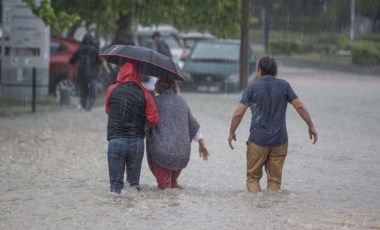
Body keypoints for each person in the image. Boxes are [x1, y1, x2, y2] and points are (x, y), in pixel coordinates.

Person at [228, 56, 318, 193]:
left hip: (258, 140)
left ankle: (255, 210)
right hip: (280, 140)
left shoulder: (252, 87)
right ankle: (275, 210)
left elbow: (238, 114)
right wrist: (311, 126)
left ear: (259, 71)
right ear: (275, 71)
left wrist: (232, 132)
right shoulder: (284, 86)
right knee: (275, 182)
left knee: (253, 179)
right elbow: (299, 106)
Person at [105, 61, 158, 194]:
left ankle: (114, 211)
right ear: (137, 74)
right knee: (133, 186)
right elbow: (153, 119)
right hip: (136, 142)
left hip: (115, 140)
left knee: (115, 187)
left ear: (121, 72)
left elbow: (108, 110)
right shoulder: (145, 93)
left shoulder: (112, 89)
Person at [146, 77, 208, 190]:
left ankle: (163, 208)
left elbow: (147, 123)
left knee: (164, 190)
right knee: (173, 187)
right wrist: (202, 144)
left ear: (158, 87)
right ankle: (175, 207)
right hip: (181, 153)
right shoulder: (182, 102)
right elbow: (193, 125)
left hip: (161, 152)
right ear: (175, 87)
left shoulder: (154, 101)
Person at [69, 33, 109, 111]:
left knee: (83, 90)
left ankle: (84, 105)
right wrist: (107, 71)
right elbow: (101, 62)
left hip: (81, 74)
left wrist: (70, 75)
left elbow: (71, 62)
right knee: (92, 92)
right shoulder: (95, 50)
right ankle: (89, 106)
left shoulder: (79, 50)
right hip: (93, 75)